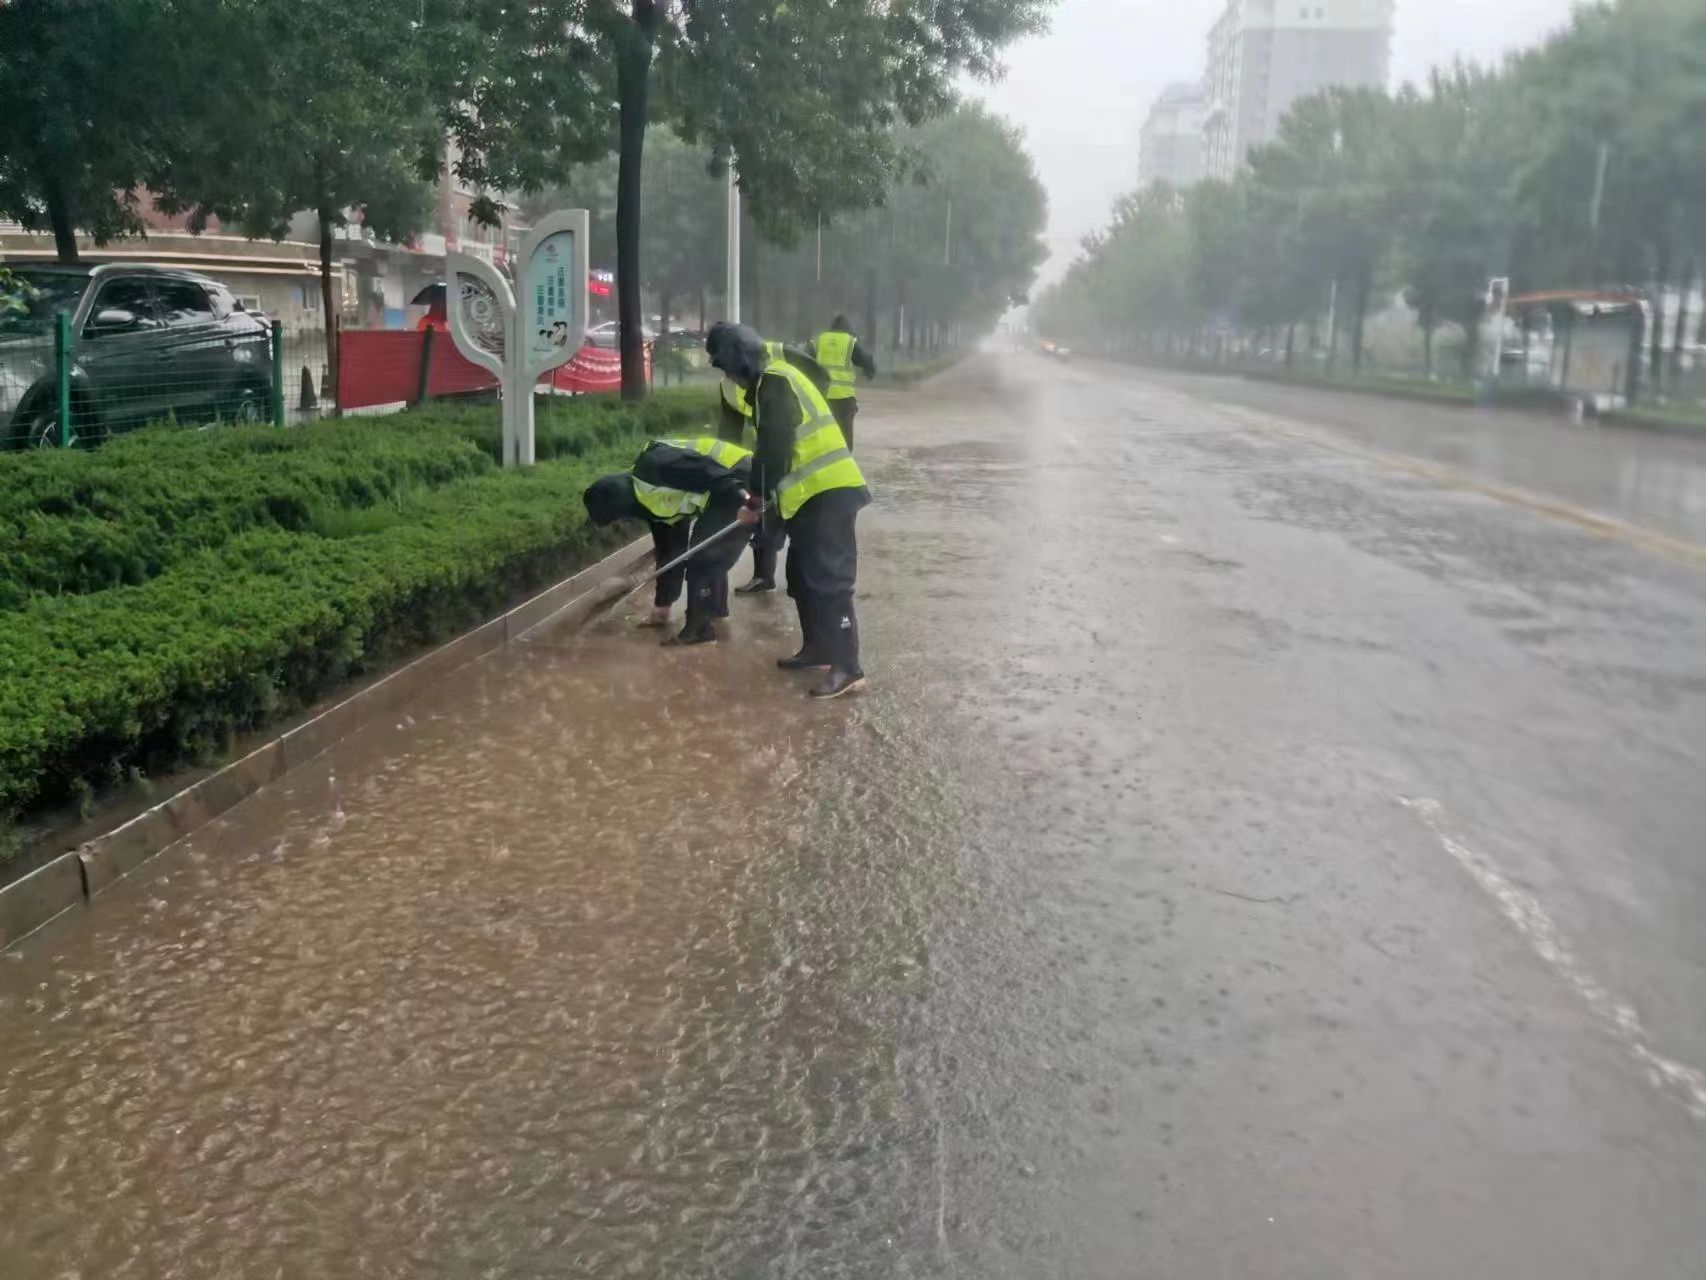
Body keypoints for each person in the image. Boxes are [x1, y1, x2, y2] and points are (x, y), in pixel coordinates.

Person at [706, 321, 870, 698]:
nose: (728, 376)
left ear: (739, 359)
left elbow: (774, 448)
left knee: (829, 582)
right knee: (801, 577)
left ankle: (848, 669)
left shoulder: (774, 382)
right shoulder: (773, 381)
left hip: (829, 492)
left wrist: (756, 498)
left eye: (726, 366)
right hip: (807, 498)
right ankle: (818, 649)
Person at [582, 435, 756, 647]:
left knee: (703, 556)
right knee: (707, 552)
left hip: (738, 478)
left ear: (620, 503)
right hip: (728, 484)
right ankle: (714, 609)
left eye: (618, 514)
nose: (624, 518)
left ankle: (698, 629)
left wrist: (745, 498)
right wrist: (661, 606)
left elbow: (704, 468)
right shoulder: (651, 505)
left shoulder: (653, 465)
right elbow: (670, 553)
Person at [807, 314, 877, 450]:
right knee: (845, 439)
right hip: (844, 400)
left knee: (822, 435)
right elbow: (866, 359)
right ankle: (843, 465)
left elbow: (804, 361)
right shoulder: (850, 342)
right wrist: (870, 372)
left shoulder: (819, 340)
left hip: (821, 398)